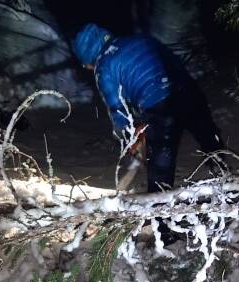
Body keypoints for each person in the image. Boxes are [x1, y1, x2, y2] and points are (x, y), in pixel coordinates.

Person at [72, 23, 223, 194]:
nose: (87, 68)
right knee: (208, 136)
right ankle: (225, 179)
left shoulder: (103, 66)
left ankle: (158, 213)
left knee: (161, 160)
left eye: (85, 64)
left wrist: (130, 138)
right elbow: (173, 61)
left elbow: (117, 108)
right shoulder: (139, 39)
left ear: (88, 55)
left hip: (158, 105)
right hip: (188, 90)